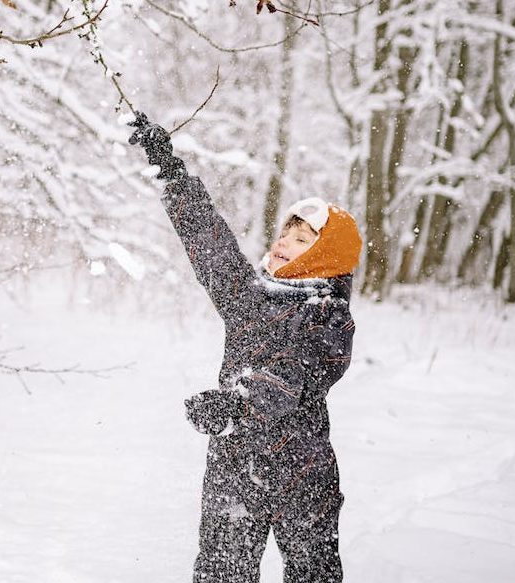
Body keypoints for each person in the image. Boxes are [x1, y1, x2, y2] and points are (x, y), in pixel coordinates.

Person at [128, 112, 362, 583]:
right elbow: (212, 247)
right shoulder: (251, 297)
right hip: (234, 466)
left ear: (326, 255)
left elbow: (293, 375)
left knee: (313, 574)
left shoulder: (328, 316)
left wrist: (238, 406)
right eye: (284, 234)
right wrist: (172, 173)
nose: (283, 243)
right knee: (221, 573)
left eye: (301, 239)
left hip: (302, 472)